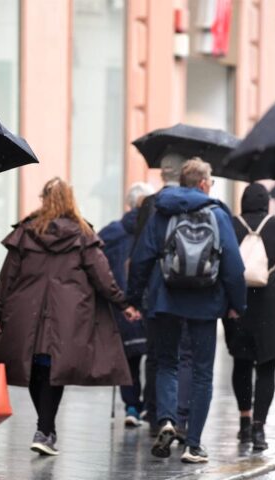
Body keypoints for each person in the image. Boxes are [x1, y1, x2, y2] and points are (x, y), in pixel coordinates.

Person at [0, 177, 140, 457]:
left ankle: (45, 429)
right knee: (53, 370)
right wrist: (124, 304)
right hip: (70, 316)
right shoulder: (83, 235)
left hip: (28, 312)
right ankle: (45, 429)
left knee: (37, 370)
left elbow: (7, 279)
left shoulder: (26, 232)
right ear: (70, 200)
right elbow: (103, 278)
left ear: (44, 199)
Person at [128, 158, 246, 464]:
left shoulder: (162, 210)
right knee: (202, 373)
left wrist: (132, 296)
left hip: (166, 299)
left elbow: (142, 256)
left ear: (182, 182)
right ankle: (193, 444)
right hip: (207, 302)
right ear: (205, 183)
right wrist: (237, 304)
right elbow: (233, 264)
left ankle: (166, 420)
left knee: (167, 363)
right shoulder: (218, 213)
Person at [222, 183, 275, 450]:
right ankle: (258, 430)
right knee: (267, 367)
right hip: (272, 305)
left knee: (241, 363)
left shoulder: (231, 224)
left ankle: (243, 423)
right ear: (266, 202)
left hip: (238, 303)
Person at [133, 152, 194, 441]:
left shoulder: (150, 205)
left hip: (158, 292)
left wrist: (133, 297)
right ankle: (181, 417)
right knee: (186, 358)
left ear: (162, 173)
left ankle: (159, 415)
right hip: (195, 293)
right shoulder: (200, 205)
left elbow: (140, 252)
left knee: (159, 356)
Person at [98, 181, 155, 427]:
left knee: (128, 359)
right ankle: (151, 408)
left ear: (129, 205)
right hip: (150, 303)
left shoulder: (111, 232)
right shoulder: (155, 230)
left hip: (121, 305)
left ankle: (132, 406)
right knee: (156, 359)